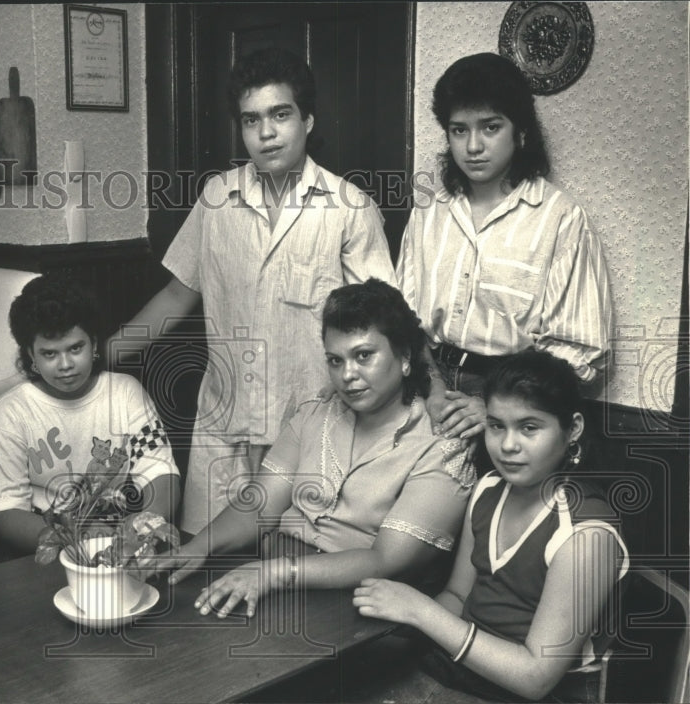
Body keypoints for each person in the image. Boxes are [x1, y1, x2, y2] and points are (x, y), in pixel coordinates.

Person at [108, 47, 396, 534]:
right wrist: (101, 355)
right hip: (225, 426)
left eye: (280, 115)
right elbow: (178, 295)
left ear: (307, 119)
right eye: (250, 120)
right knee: (204, 562)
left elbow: (386, 323)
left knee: (292, 574)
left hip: (311, 427)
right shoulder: (216, 199)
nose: (265, 133)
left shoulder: (349, 207)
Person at [154, 280, 474, 618]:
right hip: (276, 579)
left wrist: (274, 573)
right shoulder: (315, 412)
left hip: (364, 607)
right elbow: (259, 505)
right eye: (335, 361)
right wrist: (199, 546)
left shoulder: (442, 447)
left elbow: (385, 561)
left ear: (405, 357)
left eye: (364, 356)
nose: (348, 374)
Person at [353, 350, 628, 703]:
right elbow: (457, 596)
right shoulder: (488, 489)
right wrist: (395, 624)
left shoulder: (586, 534)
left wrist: (419, 611)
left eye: (529, 427)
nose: (508, 445)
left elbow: (536, 677)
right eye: (497, 425)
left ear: (572, 428)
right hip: (460, 673)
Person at [399, 53, 612, 443]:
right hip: (429, 388)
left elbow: (580, 353)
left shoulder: (561, 219)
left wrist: (493, 408)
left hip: (517, 409)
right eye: (459, 130)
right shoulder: (430, 212)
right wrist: (432, 389)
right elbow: (406, 321)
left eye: (490, 127)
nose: (473, 146)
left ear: (520, 132)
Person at [0, 273, 181, 565]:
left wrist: (139, 527)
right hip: (33, 543)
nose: (66, 365)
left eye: (75, 348)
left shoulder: (126, 394)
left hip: (116, 536)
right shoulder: (10, 414)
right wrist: (73, 541)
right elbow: (5, 512)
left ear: (94, 344)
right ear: (30, 356)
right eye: (49, 354)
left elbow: (161, 474)